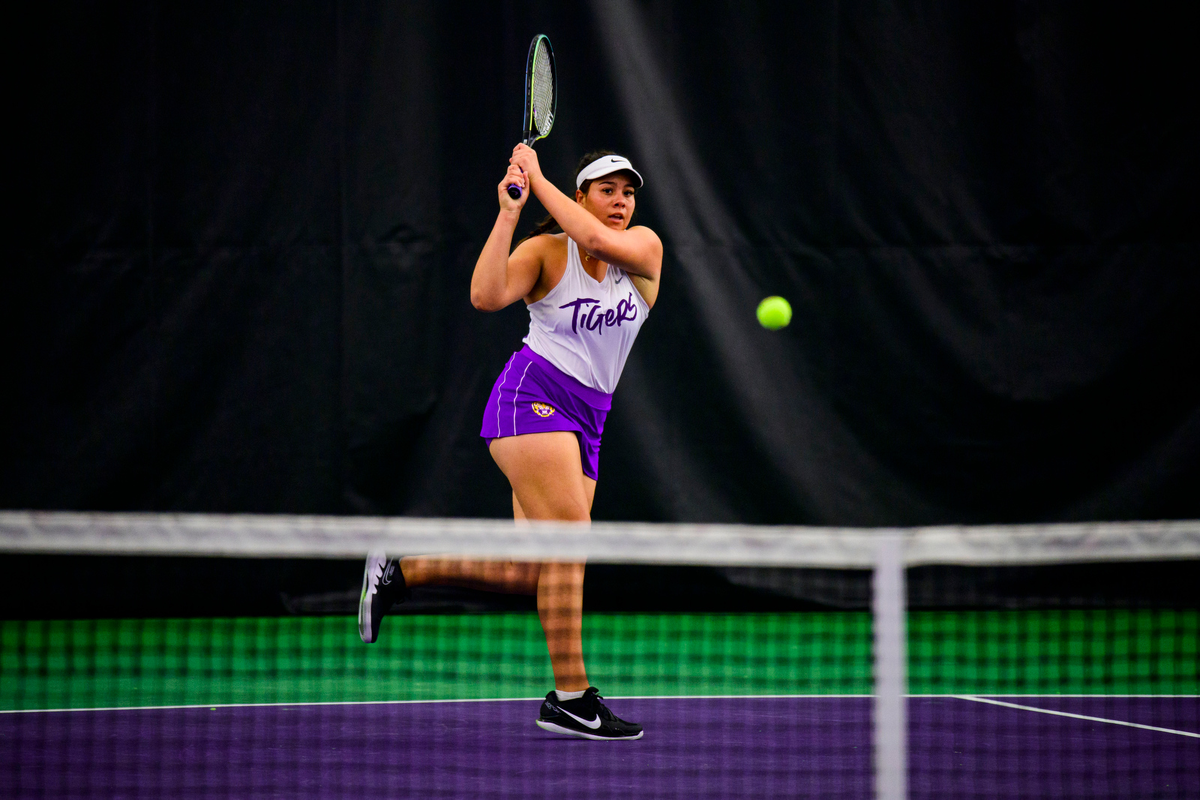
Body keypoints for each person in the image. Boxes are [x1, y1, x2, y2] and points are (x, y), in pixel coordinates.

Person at [358, 145, 662, 741]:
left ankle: (400, 571)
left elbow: (598, 243)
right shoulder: (547, 252)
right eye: (607, 190)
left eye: (628, 192)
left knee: (538, 571)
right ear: (581, 197)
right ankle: (572, 699)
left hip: (589, 417)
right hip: (531, 396)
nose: (621, 201)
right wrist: (508, 213)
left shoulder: (644, 251)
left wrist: (539, 179)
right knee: (572, 539)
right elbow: (485, 295)